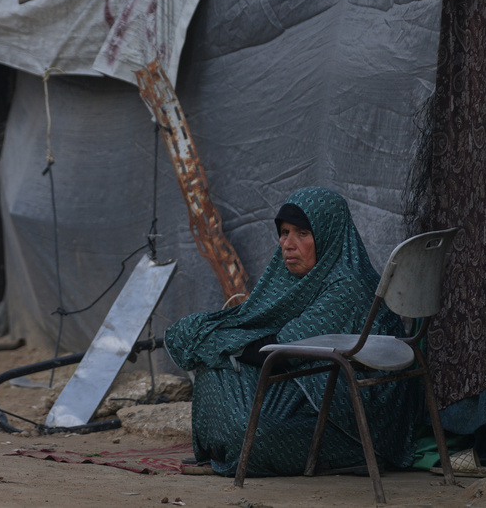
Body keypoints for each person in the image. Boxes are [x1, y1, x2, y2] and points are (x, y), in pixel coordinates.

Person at [164, 186, 419, 477]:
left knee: (254, 426)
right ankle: (228, 446)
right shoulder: (293, 277)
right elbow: (256, 323)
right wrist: (220, 342)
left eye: (302, 233)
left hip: (354, 412)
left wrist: (222, 344)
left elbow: (284, 350)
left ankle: (339, 455)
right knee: (216, 370)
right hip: (314, 377)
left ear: (328, 234)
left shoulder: (348, 284)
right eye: (284, 232)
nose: (288, 243)